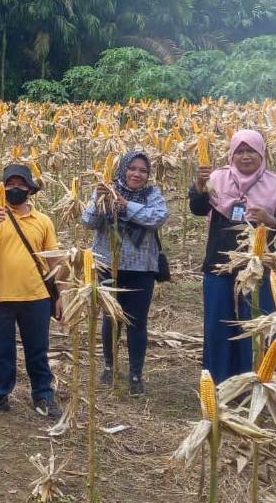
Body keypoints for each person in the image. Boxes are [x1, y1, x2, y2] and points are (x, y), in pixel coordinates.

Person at [189, 129, 276, 384]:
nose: (245, 157)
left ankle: (264, 381)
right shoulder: (217, 177)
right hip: (219, 266)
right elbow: (198, 208)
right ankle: (220, 382)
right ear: (231, 154)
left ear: (261, 154)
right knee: (220, 326)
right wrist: (199, 187)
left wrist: (271, 220)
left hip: (258, 269)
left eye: (251, 151)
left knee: (259, 324)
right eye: (240, 151)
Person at [0, 164, 65, 419]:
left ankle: (43, 395)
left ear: (30, 189)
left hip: (37, 297)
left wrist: (62, 295)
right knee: (1, 351)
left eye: (21, 184)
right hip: (2, 296)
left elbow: (54, 261)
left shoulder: (43, 221)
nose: (15, 189)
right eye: (10, 184)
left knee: (38, 350)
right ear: (2, 187)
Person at [82, 150, 169, 396]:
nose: (137, 174)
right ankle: (109, 367)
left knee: (137, 321)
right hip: (109, 264)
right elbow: (88, 221)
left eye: (143, 170)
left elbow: (158, 218)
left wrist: (125, 205)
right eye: (132, 169)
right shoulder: (105, 189)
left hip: (141, 268)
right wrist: (100, 203)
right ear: (123, 169)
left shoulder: (152, 194)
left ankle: (135, 374)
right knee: (110, 317)